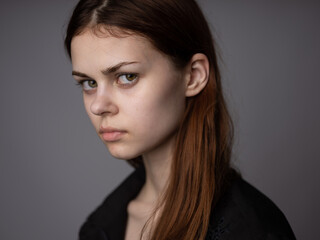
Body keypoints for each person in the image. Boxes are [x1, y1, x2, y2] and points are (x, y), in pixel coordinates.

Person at [64, 0, 296, 239]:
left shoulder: (251, 230)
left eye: (127, 76)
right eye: (88, 83)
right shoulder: (100, 226)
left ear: (193, 76)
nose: (98, 105)